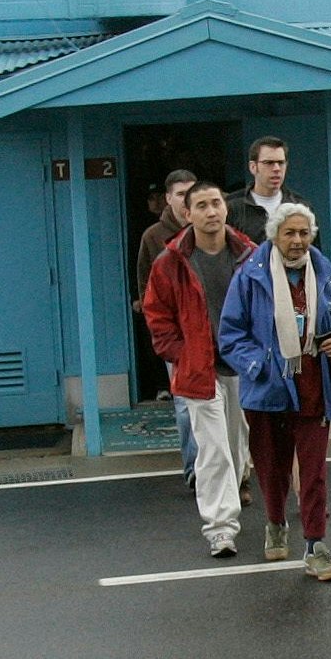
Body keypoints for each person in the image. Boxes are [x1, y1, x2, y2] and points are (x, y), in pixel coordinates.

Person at [221, 202, 331, 582]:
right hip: (267, 388)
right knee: (271, 468)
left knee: (313, 471)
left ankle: (316, 545)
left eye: (304, 233)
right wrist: (258, 365)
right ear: (274, 236)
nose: (297, 241)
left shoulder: (325, 274)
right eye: (290, 233)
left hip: (314, 384)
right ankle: (275, 521)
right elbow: (230, 336)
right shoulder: (249, 276)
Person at [141, 181, 257, 560]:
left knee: (239, 447)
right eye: (202, 205)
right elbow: (156, 315)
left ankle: (232, 504)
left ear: (226, 209)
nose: (212, 211)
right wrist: (179, 354)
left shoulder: (250, 255)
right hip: (197, 370)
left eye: (217, 203)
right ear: (186, 214)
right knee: (213, 450)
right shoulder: (170, 261)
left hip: (240, 365)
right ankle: (220, 529)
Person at [135, 169, 198, 485]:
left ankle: (224, 469)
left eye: (192, 192)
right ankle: (193, 469)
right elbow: (145, 285)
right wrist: (160, 330)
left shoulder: (213, 229)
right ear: (168, 198)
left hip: (211, 331)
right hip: (176, 334)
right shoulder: (153, 237)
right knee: (185, 403)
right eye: (179, 193)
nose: (186, 199)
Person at [227, 136, 310, 245]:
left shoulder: (299, 206)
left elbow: (312, 254)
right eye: (269, 163)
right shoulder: (232, 207)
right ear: (253, 167)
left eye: (281, 163)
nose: (276, 168)